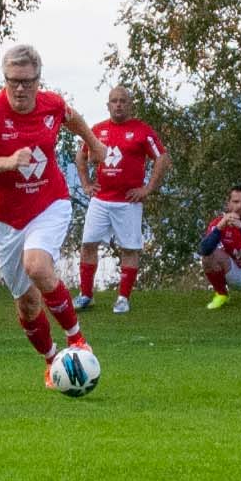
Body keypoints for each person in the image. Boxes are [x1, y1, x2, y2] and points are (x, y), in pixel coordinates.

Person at [0, 43, 95, 383]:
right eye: (12, 80)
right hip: (6, 220)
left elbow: (71, 118)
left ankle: (77, 339)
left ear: (38, 80)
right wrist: (7, 162)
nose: (19, 88)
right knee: (28, 305)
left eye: (27, 81)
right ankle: (52, 362)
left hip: (49, 203)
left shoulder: (51, 104)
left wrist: (96, 144)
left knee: (37, 265)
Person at [78, 85, 168, 316]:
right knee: (88, 244)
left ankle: (122, 298)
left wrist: (148, 188)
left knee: (130, 248)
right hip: (100, 200)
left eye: (123, 101)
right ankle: (86, 295)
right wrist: (86, 184)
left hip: (128, 202)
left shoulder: (142, 131)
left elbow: (162, 158)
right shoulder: (97, 130)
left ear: (130, 104)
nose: (118, 104)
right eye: (114, 101)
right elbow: (81, 155)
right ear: (107, 105)